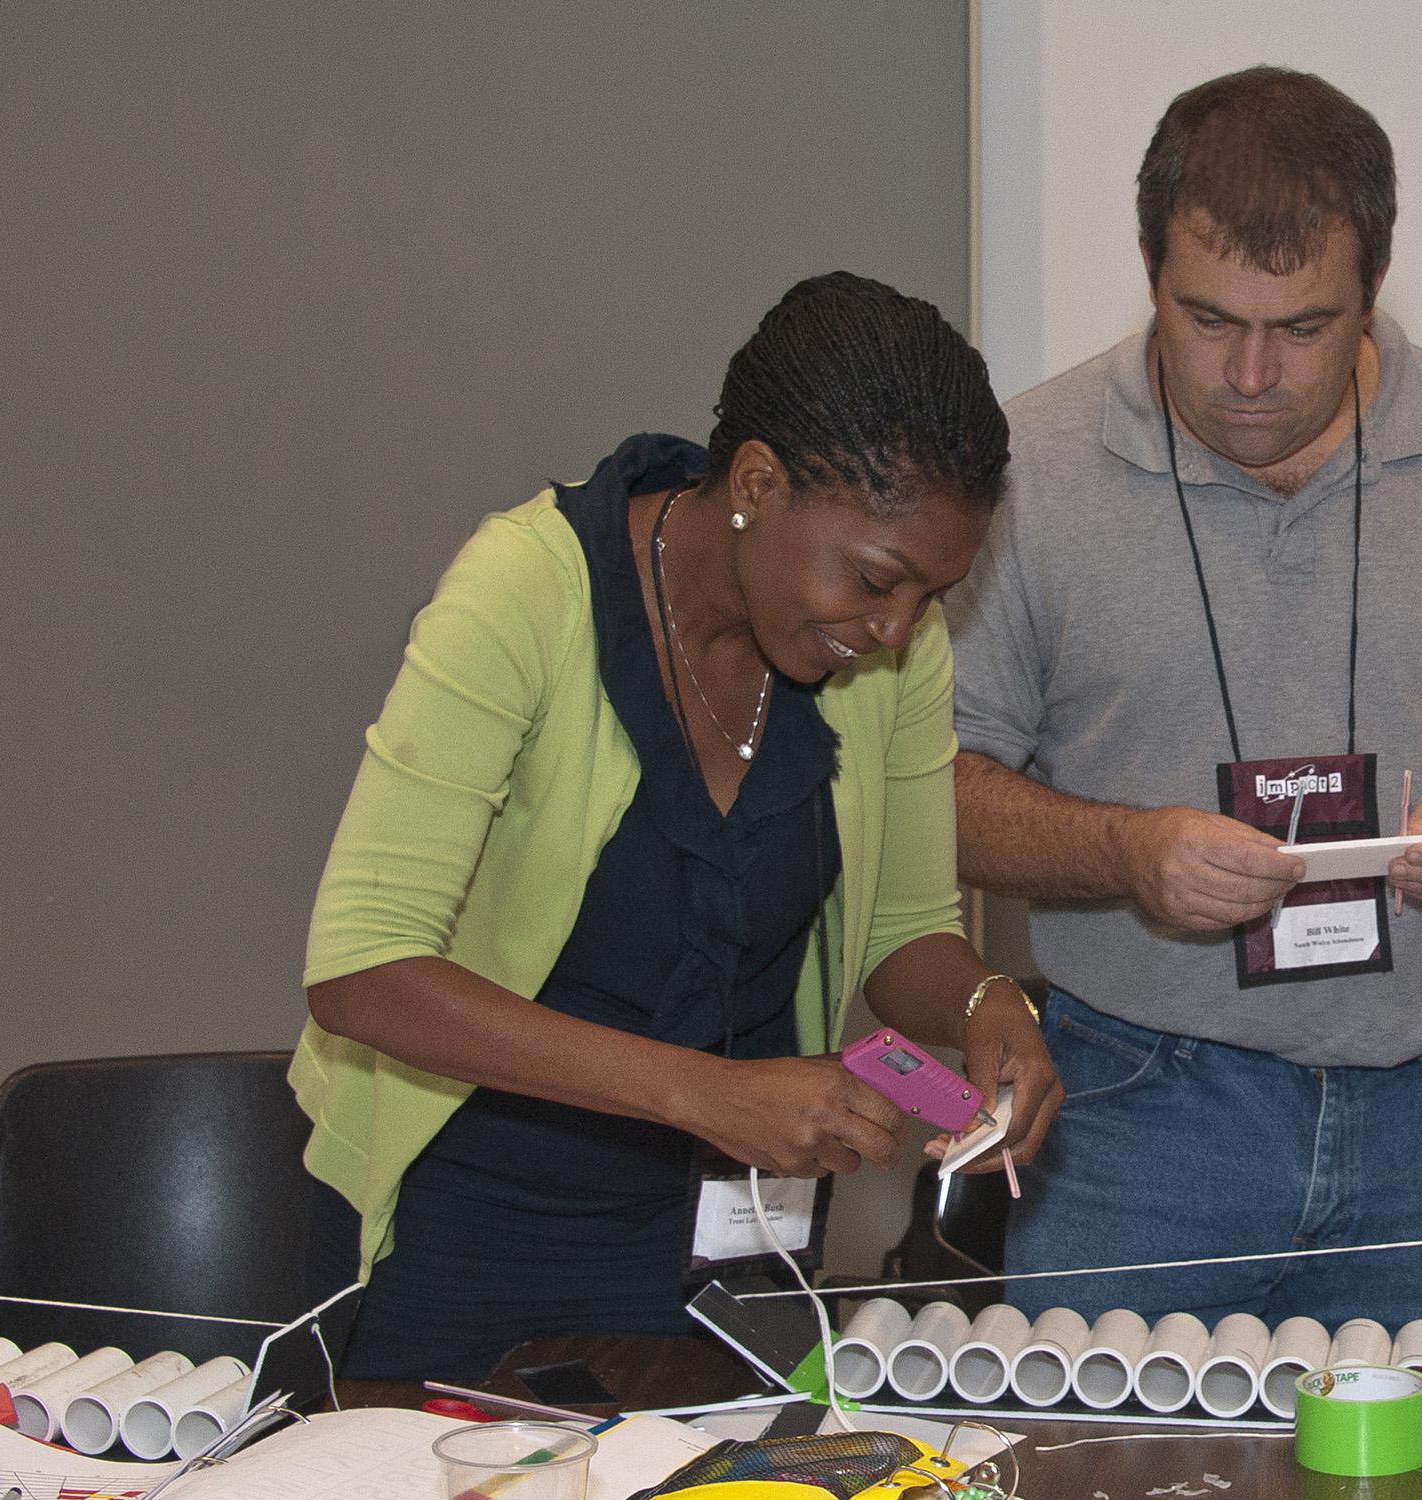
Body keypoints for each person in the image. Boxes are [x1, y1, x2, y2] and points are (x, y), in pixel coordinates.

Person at [947, 68, 1422, 1327]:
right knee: (1106, 1467)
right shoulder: (1026, 470)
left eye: (1305, 328)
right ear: (1147, 269)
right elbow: (932, 792)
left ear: (1372, 290)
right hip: (1133, 1103)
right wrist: (1124, 851)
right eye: (1205, 320)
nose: (1251, 372)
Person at [295, 272, 1063, 1380]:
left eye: (930, 596)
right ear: (757, 480)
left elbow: (903, 937)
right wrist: (701, 1091)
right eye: (876, 580)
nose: (897, 630)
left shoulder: (885, 655)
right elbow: (362, 968)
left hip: (731, 1241)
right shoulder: (527, 594)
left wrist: (989, 1005)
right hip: (473, 1222)